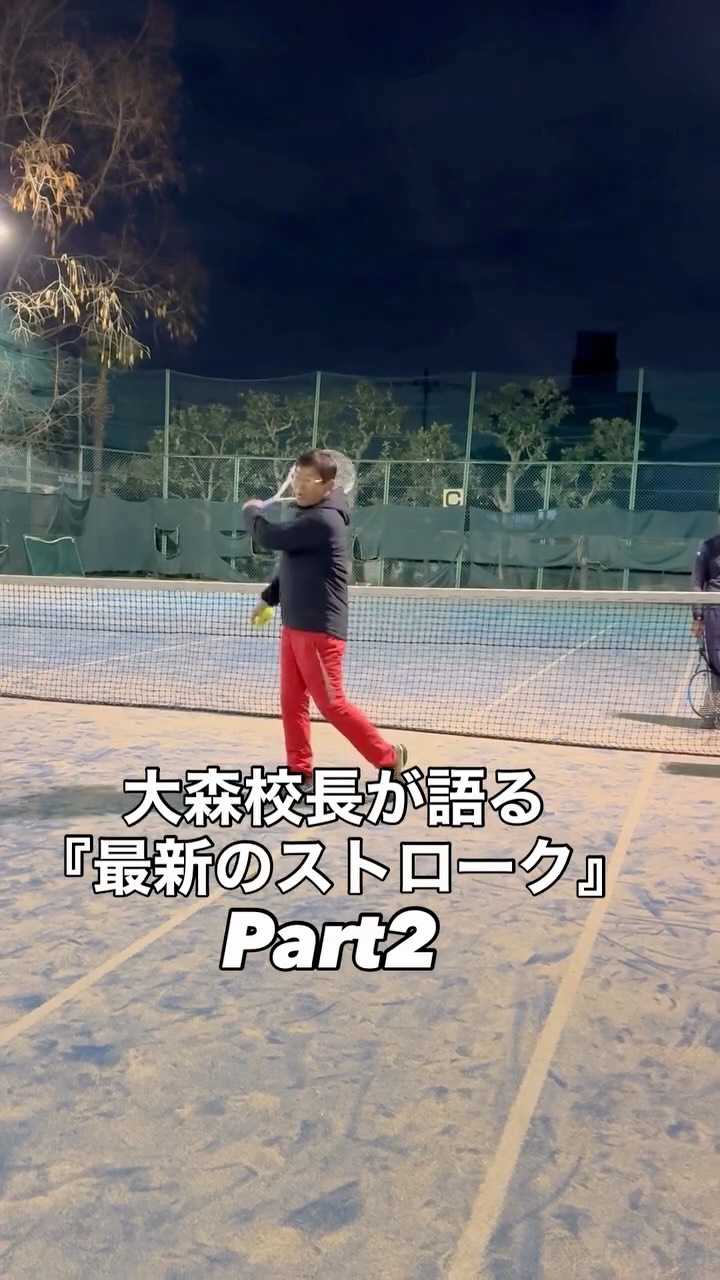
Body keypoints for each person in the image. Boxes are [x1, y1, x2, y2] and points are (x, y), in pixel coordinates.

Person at [242, 449, 408, 788]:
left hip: (319, 631)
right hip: (293, 625)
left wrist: (251, 513)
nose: (299, 487)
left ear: (328, 485)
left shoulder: (323, 521)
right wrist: (268, 598)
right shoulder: (309, 516)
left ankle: (389, 757)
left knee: (332, 705)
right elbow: (292, 564)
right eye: (296, 478)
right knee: (291, 702)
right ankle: (299, 771)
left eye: (308, 480)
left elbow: (270, 538)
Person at [691, 508, 720, 720]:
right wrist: (698, 616)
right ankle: (713, 713)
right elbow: (696, 582)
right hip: (714, 613)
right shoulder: (707, 547)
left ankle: (710, 712)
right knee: (716, 664)